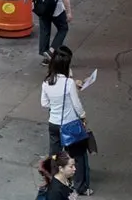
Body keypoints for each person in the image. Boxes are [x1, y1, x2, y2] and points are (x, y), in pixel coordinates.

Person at [40, 48, 91, 195]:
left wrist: (57, 105)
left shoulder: (46, 82)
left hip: (54, 124)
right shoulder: (68, 83)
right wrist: (83, 116)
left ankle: (53, 183)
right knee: (78, 156)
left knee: (55, 156)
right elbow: (77, 105)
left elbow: (44, 103)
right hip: (70, 125)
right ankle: (80, 187)